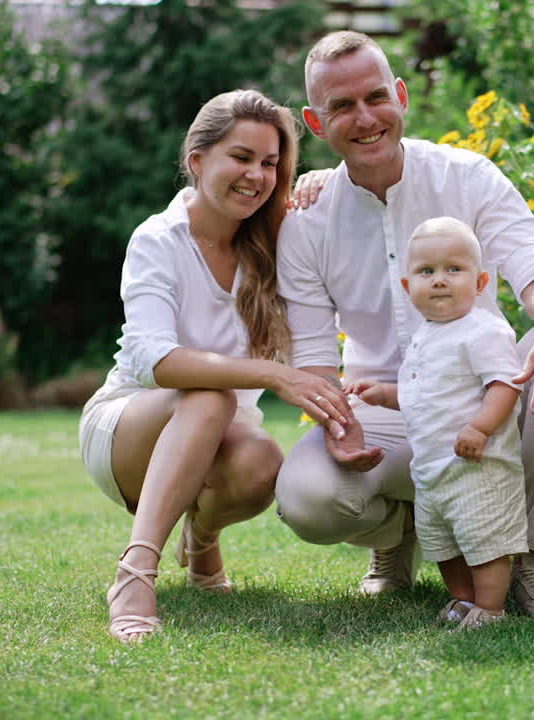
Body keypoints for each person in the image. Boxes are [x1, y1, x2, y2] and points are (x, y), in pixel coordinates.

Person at [275, 31, 534, 618]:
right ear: (316, 123)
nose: (366, 117)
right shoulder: (306, 223)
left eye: (376, 97)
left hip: (486, 398)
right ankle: (393, 538)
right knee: (308, 499)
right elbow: (315, 356)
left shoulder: (467, 176)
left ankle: (532, 561)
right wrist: (336, 422)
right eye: (342, 107)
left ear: (400, 95)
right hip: (384, 409)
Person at [78, 89, 352, 643]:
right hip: (127, 433)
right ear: (197, 160)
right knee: (210, 395)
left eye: (271, 163)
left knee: (263, 462)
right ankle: (135, 574)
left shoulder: (277, 243)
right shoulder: (157, 240)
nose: (256, 174)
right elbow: (155, 361)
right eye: (241, 157)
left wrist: (329, 187)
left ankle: (201, 539)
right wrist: (274, 375)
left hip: (218, 442)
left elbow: (349, 248)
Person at [345, 217, 528, 630]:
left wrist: (480, 427)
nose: (440, 280)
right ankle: (464, 600)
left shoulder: (483, 330)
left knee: (485, 540)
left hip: (478, 468)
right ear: (408, 287)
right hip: (431, 472)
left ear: (480, 282)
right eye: (427, 272)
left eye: (454, 270)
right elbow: (422, 396)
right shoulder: (425, 335)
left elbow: (505, 385)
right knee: (442, 544)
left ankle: (492, 608)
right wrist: (385, 394)